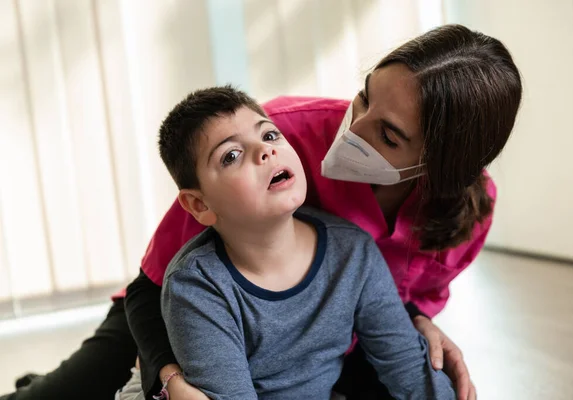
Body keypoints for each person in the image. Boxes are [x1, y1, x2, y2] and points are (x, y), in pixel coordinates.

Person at [4, 24, 522, 400]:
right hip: (180, 316)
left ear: (441, 165)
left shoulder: (460, 215)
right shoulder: (280, 140)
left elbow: (395, 314)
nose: (354, 130)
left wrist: (419, 324)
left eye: (388, 135)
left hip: (325, 343)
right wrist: (167, 376)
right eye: (362, 99)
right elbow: (152, 288)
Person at [118, 85, 456, 399]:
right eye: (231, 156)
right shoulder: (198, 284)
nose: (264, 150)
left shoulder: (353, 251)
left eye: (269, 134)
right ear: (200, 205)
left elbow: (410, 370)